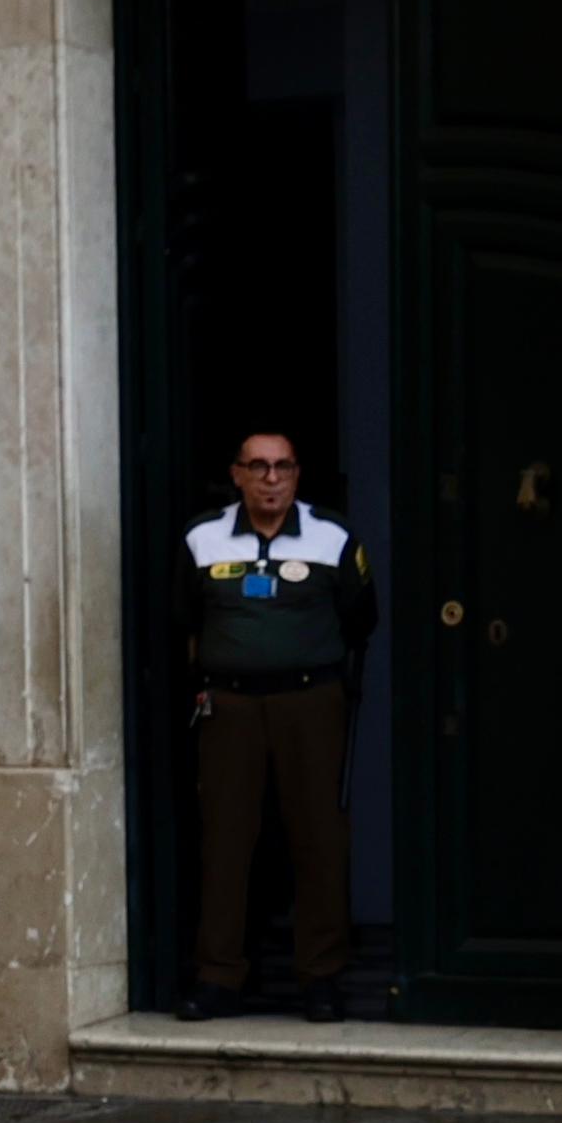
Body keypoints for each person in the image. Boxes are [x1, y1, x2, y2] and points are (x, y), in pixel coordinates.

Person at [175, 430, 373, 1022]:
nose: (270, 478)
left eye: (282, 467)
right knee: (226, 841)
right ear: (235, 474)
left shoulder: (332, 535)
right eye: (257, 466)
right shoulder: (201, 537)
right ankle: (219, 978)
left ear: (296, 474)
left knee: (318, 838)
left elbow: (361, 617)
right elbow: (181, 618)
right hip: (229, 707)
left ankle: (321, 979)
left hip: (309, 703)